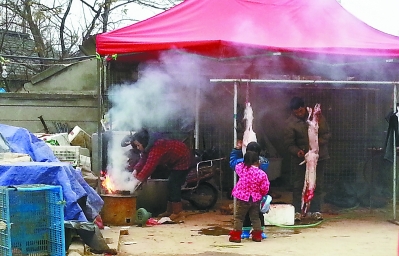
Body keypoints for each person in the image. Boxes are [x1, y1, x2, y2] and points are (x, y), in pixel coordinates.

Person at [128, 128, 195, 221]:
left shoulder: (157, 146)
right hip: (174, 161)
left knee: (173, 184)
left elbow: (149, 166)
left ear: (144, 142)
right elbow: (143, 160)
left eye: (138, 145)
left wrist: (138, 180)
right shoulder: (148, 146)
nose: (138, 148)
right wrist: (135, 171)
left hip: (182, 158)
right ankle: (170, 211)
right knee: (170, 184)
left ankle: (178, 212)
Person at [283, 96, 331, 221]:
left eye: (300, 111)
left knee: (317, 184)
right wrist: (297, 151)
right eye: (296, 112)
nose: (299, 114)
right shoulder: (290, 123)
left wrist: (315, 144)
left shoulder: (317, 118)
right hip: (302, 159)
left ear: (304, 107)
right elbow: (289, 144)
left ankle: (315, 210)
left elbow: (326, 134)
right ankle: (297, 211)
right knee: (299, 184)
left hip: (319, 157)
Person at [229, 140, 269, 239]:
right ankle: (258, 235)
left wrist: (237, 151)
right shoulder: (261, 173)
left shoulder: (241, 169)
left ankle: (236, 236)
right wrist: (262, 194)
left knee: (239, 217)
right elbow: (265, 187)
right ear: (258, 160)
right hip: (255, 199)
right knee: (255, 217)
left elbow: (234, 164)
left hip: (243, 199)